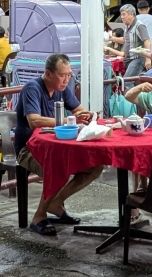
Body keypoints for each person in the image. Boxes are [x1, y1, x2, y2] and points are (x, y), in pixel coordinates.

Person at [15, 53, 96, 235]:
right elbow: (34, 121)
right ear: (48, 74)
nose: (66, 80)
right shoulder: (32, 88)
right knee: (58, 168)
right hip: (29, 149)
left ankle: (56, 203)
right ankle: (39, 216)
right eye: (62, 75)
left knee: (95, 166)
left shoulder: (62, 88)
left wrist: (87, 116)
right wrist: (69, 120)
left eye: (69, 75)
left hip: (56, 147)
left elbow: (79, 110)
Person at [119, 4, 151, 77]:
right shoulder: (126, 26)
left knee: (127, 81)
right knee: (132, 81)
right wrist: (111, 38)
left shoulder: (139, 25)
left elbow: (147, 41)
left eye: (124, 14)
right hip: (129, 59)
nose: (122, 17)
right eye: (121, 15)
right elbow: (124, 40)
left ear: (131, 14)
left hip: (137, 59)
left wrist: (148, 59)